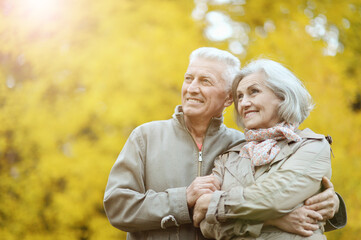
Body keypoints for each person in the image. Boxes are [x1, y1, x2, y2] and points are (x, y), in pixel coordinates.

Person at [103, 48, 345, 240]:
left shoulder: (240, 144)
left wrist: (331, 201)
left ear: (228, 98)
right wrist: (183, 199)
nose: (192, 88)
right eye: (189, 78)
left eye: (205, 81)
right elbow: (117, 207)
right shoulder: (146, 136)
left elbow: (277, 192)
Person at [193, 59, 347, 239]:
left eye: (254, 92)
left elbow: (273, 197)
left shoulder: (312, 146)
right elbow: (206, 224)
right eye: (240, 96)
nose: (243, 103)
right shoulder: (229, 156)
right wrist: (270, 221)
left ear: (282, 96)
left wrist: (213, 203)